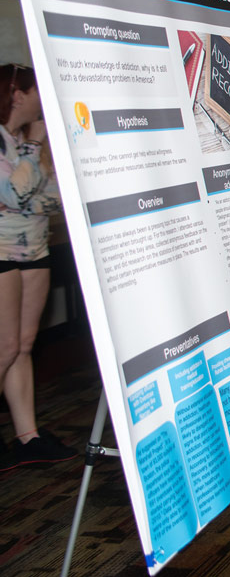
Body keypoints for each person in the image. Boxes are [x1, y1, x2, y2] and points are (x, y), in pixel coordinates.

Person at [0, 64, 74, 471]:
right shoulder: (17, 143)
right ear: (15, 95)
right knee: (6, 346)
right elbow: (14, 191)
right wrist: (34, 149)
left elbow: (51, 199)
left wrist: (23, 198)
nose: (40, 99)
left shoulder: (25, 141)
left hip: (35, 249)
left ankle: (27, 436)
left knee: (24, 345)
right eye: (34, 91)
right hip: (3, 252)